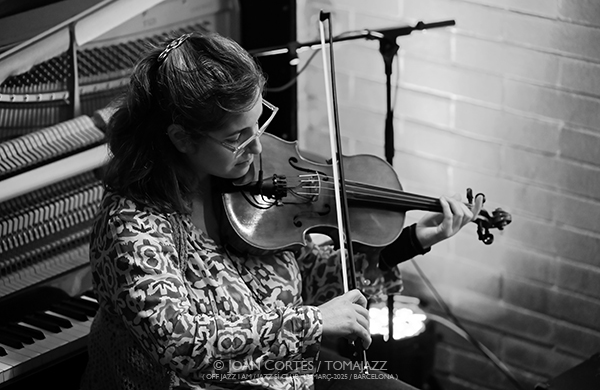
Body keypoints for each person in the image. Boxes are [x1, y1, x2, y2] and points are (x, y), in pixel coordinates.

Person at [80, 31, 483, 390]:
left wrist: (409, 241)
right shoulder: (133, 226)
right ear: (181, 138)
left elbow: (308, 275)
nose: (257, 146)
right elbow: (183, 345)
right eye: (238, 137)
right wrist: (313, 322)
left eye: (259, 123)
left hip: (286, 373)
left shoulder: (242, 182)